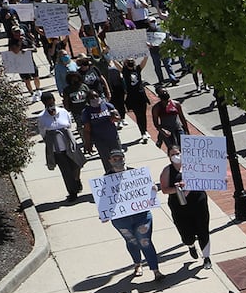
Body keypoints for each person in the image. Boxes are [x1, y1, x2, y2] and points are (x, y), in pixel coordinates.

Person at [101, 149, 164, 282]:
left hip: (141, 216)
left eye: (120, 158)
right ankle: (137, 263)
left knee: (145, 241)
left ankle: (155, 270)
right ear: (110, 161)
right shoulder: (106, 179)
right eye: (114, 159)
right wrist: (104, 213)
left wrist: (153, 188)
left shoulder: (135, 174)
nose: (118, 161)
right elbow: (104, 200)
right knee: (132, 241)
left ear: (124, 158)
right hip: (121, 220)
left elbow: (149, 191)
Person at [158, 144, 212, 267]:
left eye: (178, 153)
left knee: (203, 230)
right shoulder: (167, 171)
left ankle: (207, 257)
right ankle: (191, 245)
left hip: (198, 202)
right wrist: (177, 187)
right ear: (169, 157)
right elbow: (165, 189)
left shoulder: (194, 166)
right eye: (173, 154)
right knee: (186, 234)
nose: (176, 156)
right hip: (179, 206)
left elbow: (208, 178)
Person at [36, 92, 83, 202]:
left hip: (69, 144)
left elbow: (69, 125)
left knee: (77, 165)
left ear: (54, 100)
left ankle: (76, 180)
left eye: (51, 102)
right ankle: (72, 192)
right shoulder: (42, 117)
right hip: (56, 149)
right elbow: (42, 132)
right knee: (66, 171)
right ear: (43, 103)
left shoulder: (63, 112)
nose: (50, 105)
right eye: (47, 103)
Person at [79, 91, 123, 167]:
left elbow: (118, 118)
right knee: (107, 162)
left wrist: (115, 117)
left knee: (119, 160)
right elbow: (87, 130)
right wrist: (88, 143)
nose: (95, 99)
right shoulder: (86, 112)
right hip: (100, 141)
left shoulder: (107, 106)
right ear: (88, 100)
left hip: (113, 138)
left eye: (96, 96)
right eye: (92, 98)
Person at [151, 87, 185, 153]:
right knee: (172, 150)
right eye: (162, 92)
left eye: (166, 91)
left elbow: (182, 117)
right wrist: (162, 131)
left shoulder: (176, 104)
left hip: (178, 129)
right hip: (167, 131)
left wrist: (186, 130)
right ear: (158, 95)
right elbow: (156, 123)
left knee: (183, 147)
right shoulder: (156, 108)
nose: (165, 93)